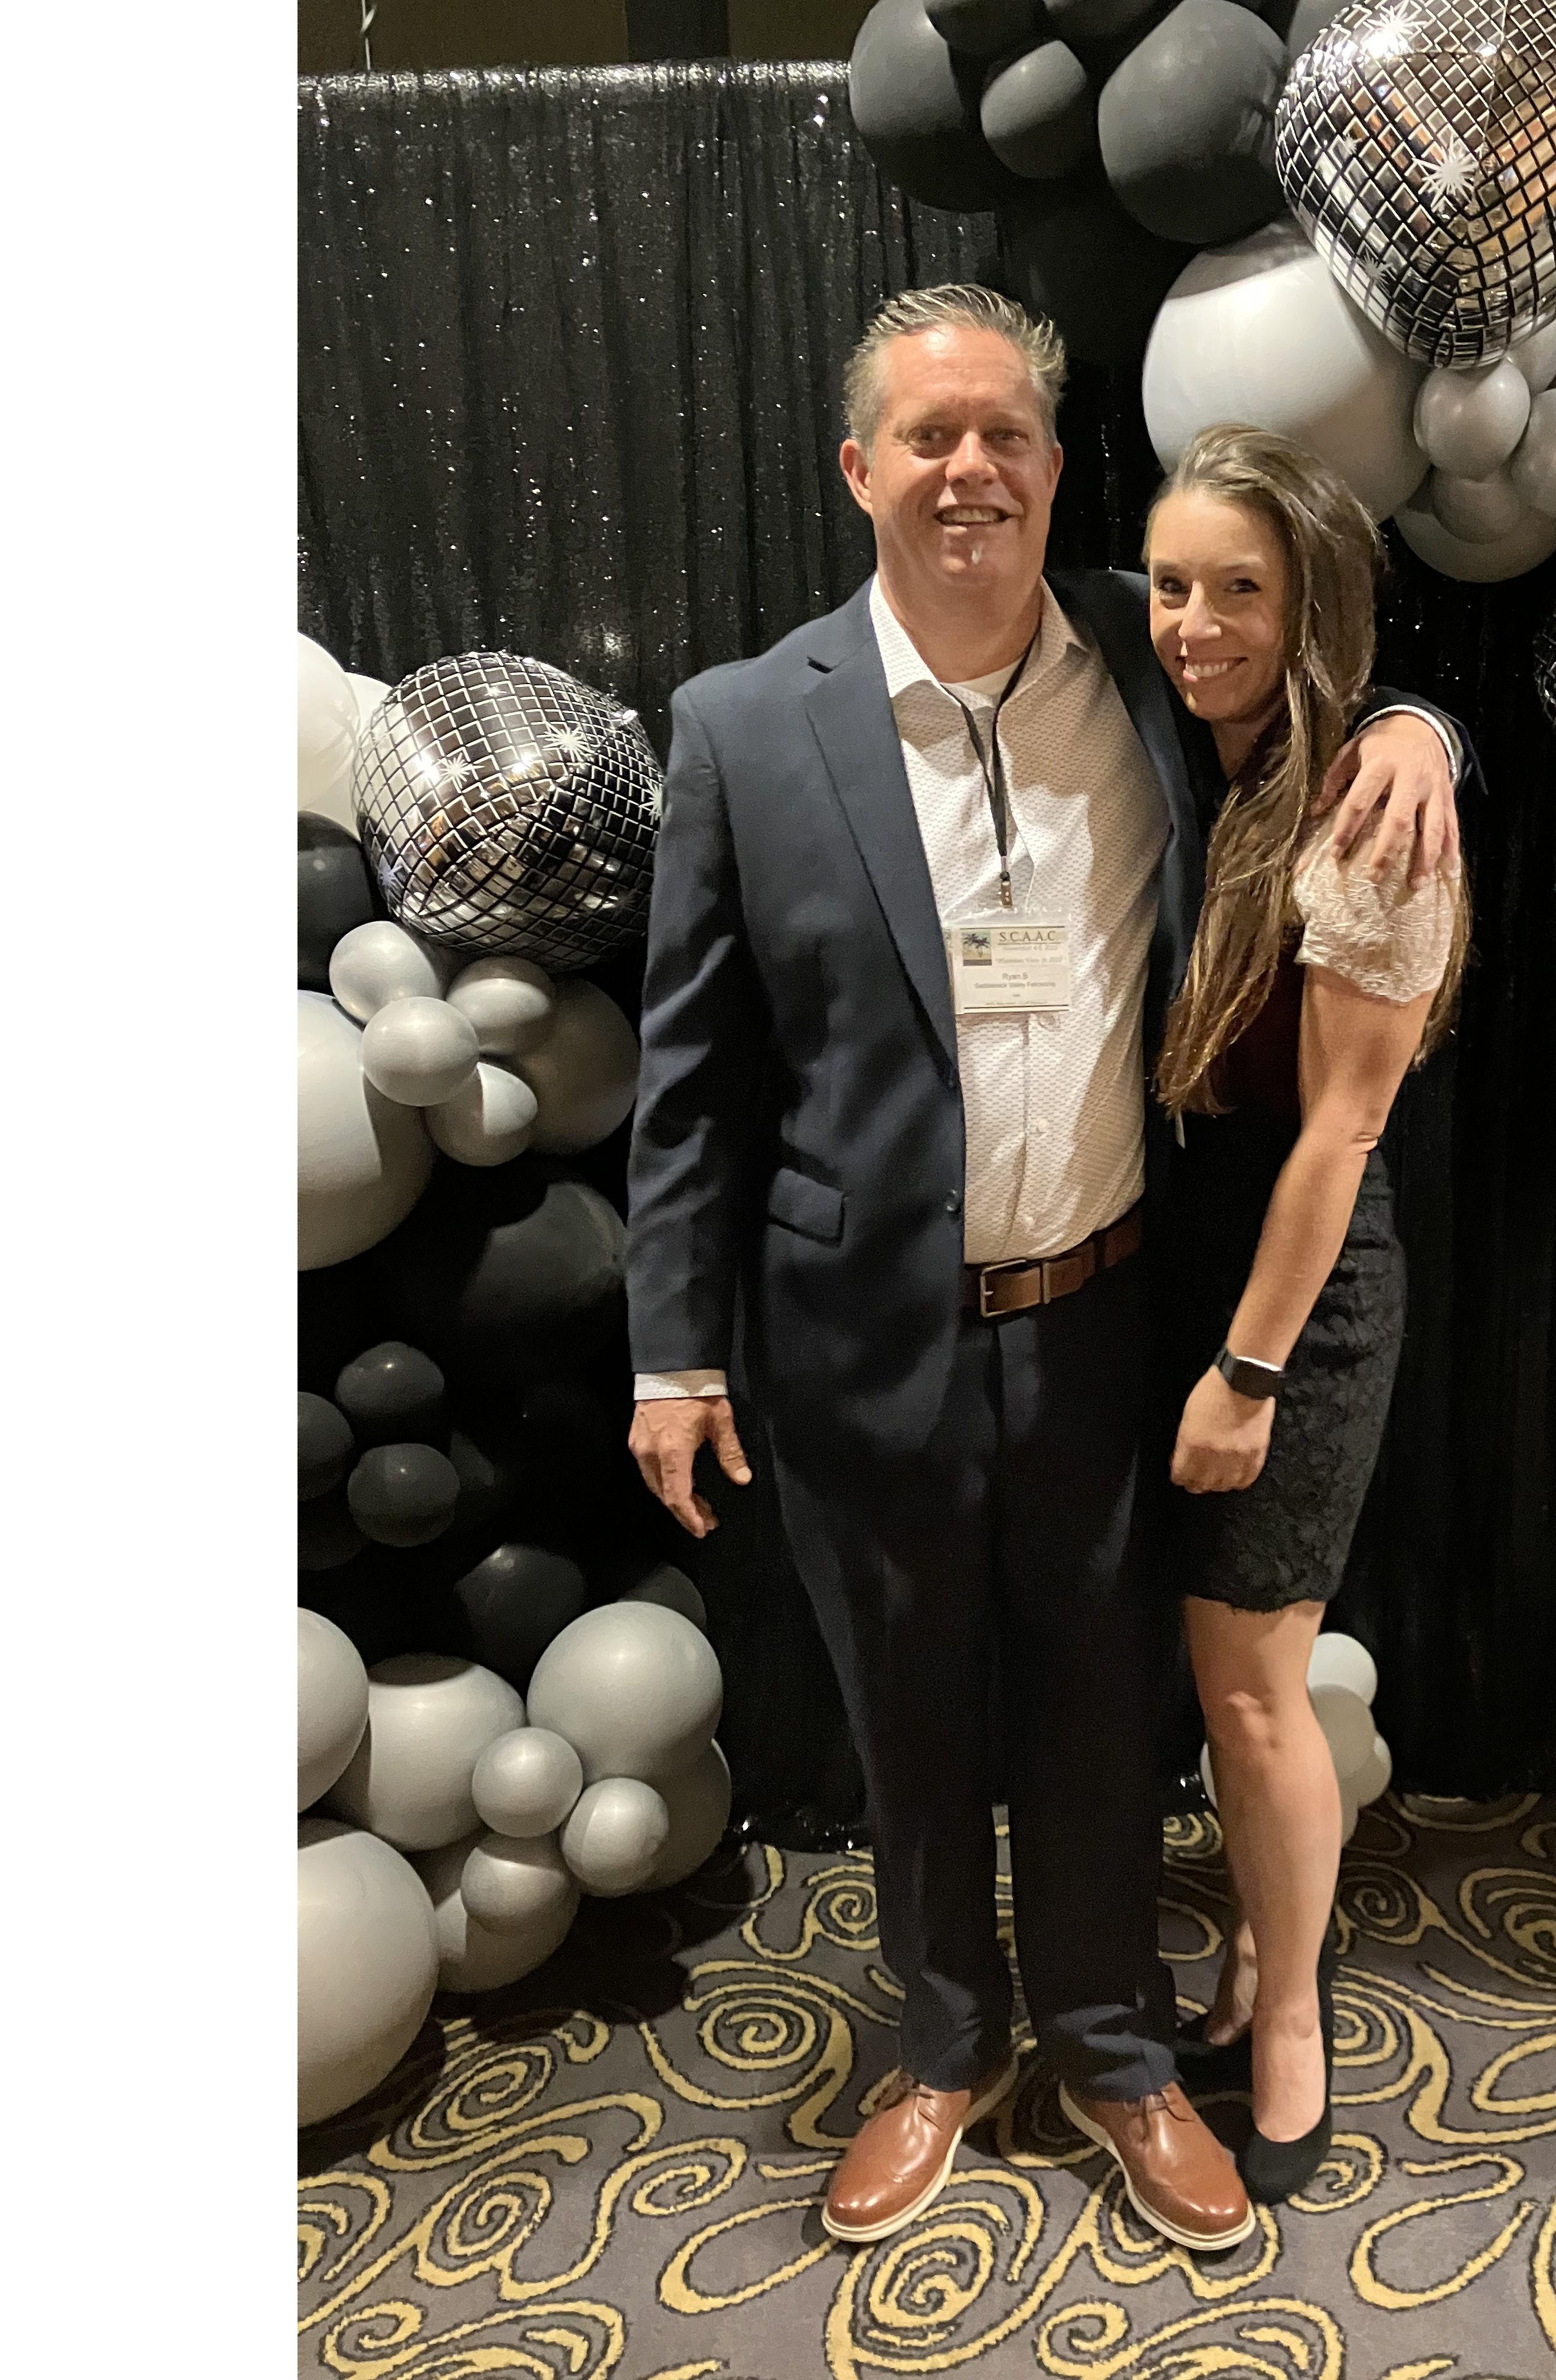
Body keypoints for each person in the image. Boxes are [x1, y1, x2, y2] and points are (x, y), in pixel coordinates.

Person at [620, 286, 1459, 2255]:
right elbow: (691, 1075)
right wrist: (674, 1353)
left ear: (1059, 465)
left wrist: (1430, 729)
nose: (970, 469)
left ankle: (1109, 2045)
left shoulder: (1149, 653)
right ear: (862, 470)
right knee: (906, 1709)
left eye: (1005, 432)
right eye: (929, 437)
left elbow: (1318, 673)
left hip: (1101, 1313)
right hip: (855, 1332)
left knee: (1099, 1711)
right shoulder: (743, 727)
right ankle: (940, 2045)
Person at [1140, 424, 1473, 2206]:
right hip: (1171, 1254)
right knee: (1219, 1686)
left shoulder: (1367, 810)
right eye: (1171, 585)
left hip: (1298, 1288)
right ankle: (1255, 1964)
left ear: (1314, 604)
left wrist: (1249, 1371)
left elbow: (1341, 1131)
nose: (1193, 624)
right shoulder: (1181, 746)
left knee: (1259, 1695)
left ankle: (1290, 2024)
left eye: (1239, 591)